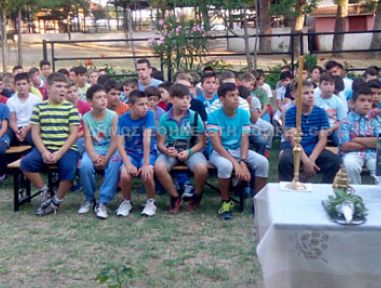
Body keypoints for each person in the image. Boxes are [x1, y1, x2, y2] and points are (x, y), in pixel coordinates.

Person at [20, 72, 80, 216]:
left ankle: (56, 202)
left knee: (69, 169)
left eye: (65, 87)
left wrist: (59, 153)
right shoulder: (39, 108)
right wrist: (44, 151)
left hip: (66, 149)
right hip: (45, 147)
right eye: (58, 86)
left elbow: (73, 135)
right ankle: (45, 192)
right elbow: (35, 134)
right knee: (25, 163)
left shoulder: (71, 108)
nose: (63, 90)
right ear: (48, 87)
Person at [207, 83, 269, 220]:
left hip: (239, 150)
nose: (236, 98)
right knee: (225, 166)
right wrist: (236, 163)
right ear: (222, 99)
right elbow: (217, 145)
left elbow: (244, 139)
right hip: (220, 152)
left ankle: (258, 202)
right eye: (231, 95)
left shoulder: (243, 114)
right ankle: (225, 202)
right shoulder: (213, 116)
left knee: (263, 162)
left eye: (237, 95)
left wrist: (243, 161)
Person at [154, 84, 208, 213]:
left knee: (202, 168)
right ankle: (175, 196)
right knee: (159, 167)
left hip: (191, 150)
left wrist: (189, 152)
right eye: (181, 98)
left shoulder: (194, 116)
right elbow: (160, 144)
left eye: (188, 98)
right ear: (172, 99)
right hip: (171, 150)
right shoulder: (165, 118)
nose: (185, 101)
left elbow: (201, 143)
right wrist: (166, 150)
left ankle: (197, 195)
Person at [278, 80, 340, 183]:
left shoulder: (321, 112)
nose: (310, 96)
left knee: (335, 161)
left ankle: (325, 188)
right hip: (296, 149)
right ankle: (287, 187)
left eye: (312, 92)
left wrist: (311, 160)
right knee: (285, 161)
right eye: (306, 93)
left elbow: (323, 139)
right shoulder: (291, 113)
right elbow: (293, 140)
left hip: (314, 149)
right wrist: (306, 162)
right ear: (295, 96)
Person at [79, 84, 120, 219]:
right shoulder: (86, 117)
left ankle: (103, 201)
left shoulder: (113, 115)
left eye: (104, 97)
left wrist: (106, 158)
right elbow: (87, 140)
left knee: (114, 164)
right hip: (94, 150)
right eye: (98, 97)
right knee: (85, 165)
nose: (103, 100)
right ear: (89, 101)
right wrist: (94, 157)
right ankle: (89, 199)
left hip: (111, 150)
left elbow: (115, 141)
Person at [115, 91, 158, 217]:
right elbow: (119, 144)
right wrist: (128, 164)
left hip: (147, 153)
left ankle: (151, 202)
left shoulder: (149, 114)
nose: (145, 107)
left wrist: (146, 164)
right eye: (141, 104)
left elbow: (147, 139)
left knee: (147, 174)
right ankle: (126, 202)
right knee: (125, 175)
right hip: (131, 154)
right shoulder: (122, 119)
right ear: (131, 105)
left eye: (146, 104)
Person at [337, 85, 381, 184]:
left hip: (373, 154)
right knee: (350, 165)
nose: (366, 104)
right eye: (362, 100)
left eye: (369, 101)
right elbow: (345, 146)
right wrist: (370, 142)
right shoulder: (345, 122)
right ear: (353, 103)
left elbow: (380, 142)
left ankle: (380, 191)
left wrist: (356, 139)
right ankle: (355, 190)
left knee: (380, 166)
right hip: (351, 154)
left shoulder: (376, 121)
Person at [7, 72, 42, 146]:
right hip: (17, 127)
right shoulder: (10, 101)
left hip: (31, 126)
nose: (21, 86)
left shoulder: (36, 99)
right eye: (18, 84)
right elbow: (12, 120)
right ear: (15, 86)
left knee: (32, 139)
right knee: (7, 140)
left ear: (29, 85)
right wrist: (17, 131)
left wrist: (26, 130)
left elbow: (37, 118)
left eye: (24, 84)